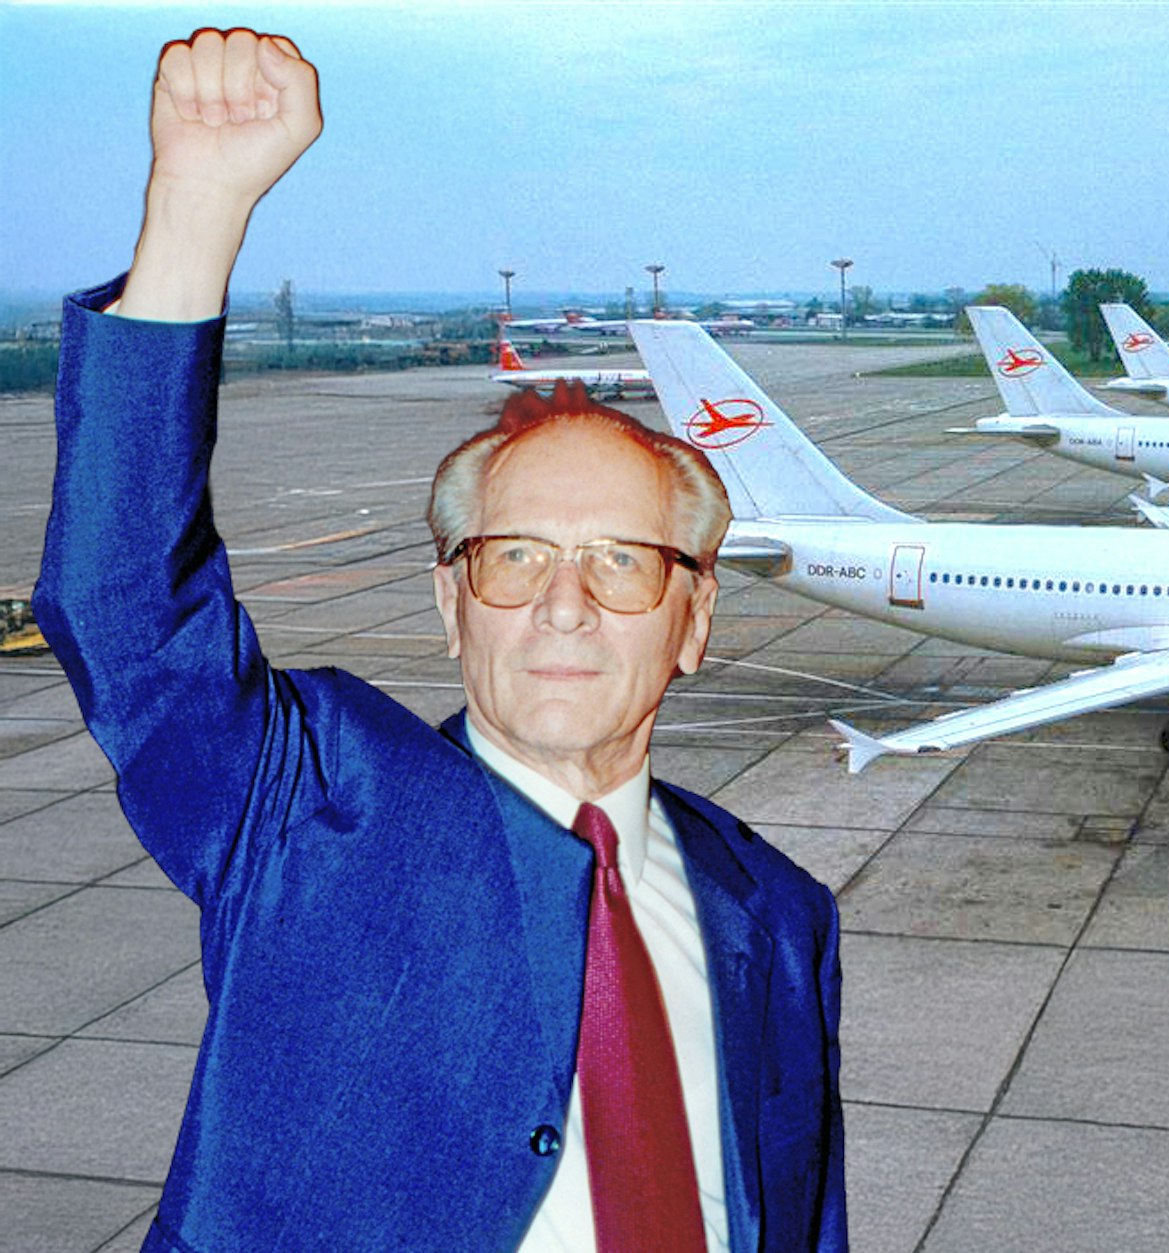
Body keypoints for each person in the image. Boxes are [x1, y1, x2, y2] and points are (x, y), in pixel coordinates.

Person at [34, 29, 843, 1252]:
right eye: (514, 556)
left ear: (695, 620)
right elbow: (124, 607)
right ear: (452, 602)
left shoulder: (779, 912)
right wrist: (197, 203)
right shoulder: (310, 812)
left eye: (622, 562)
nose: (563, 604)